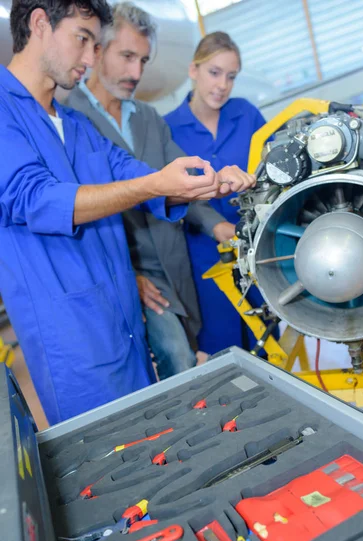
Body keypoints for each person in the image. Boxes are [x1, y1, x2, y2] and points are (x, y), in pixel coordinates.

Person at [0, 1, 255, 425]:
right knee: (108, 462)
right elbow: (35, 199)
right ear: (40, 22)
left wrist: (207, 180)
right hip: (74, 339)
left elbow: (144, 176)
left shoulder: (75, 126)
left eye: (96, 45)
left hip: (124, 328)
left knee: (153, 441)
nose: (89, 59)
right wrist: (155, 184)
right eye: (83, 39)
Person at [65, 3, 235, 381]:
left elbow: (182, 182)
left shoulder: (147, 118)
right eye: (126, 56)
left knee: (187, 356)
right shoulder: (70, 120)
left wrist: (220, 225)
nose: (136, 72)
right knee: (176, 358)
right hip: (128, 271)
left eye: (143, 60)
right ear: (96, 52)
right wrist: (126, 278)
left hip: (174, 264)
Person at [165, 32, 268, 356]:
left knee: (269, 342)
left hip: (257, 248)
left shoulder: (246, 114)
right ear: (193, 70)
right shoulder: (167, 129)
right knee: (226, 353)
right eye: (214, 72)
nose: (222, 84)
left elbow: (274, 163)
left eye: (231, 76)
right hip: (203, 256)